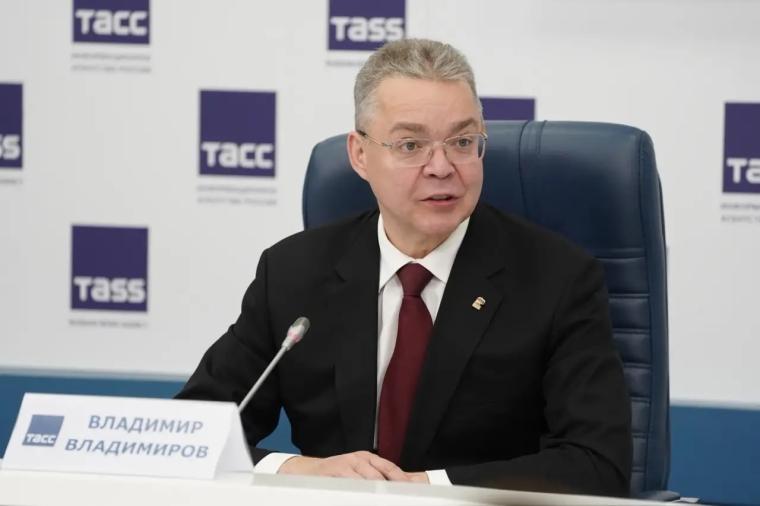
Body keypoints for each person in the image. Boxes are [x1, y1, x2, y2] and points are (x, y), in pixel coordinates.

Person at [177, 38, 632, 496]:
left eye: (462, 142)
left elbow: (596, 463)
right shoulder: (293, 272)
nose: (441, 167)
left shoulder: (557, 279)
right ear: (360, 155)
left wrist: (427, 488)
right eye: (411, 144)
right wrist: (298, 469)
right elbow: (188, 435)